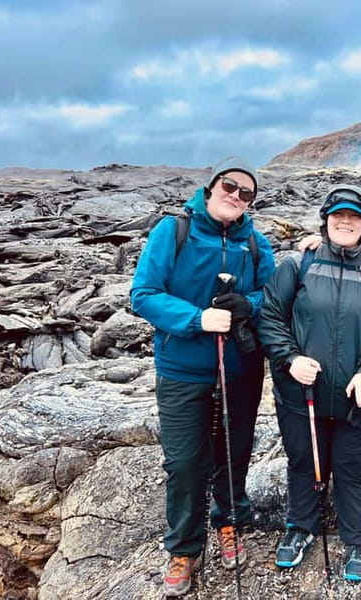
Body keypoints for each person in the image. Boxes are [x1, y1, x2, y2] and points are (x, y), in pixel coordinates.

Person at [130, 157, 275, 597]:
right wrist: (197, 318)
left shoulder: (256, 243)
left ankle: (229, 521)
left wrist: (246, 304)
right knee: (184, 462)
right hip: (182, 369)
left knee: (233, 453)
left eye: (246, 193)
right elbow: (143, 295)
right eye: (229, 186)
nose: (236, 195)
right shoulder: (172, 233)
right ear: (211, 188)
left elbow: (272, 294)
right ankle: (183, 548)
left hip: (240, 369)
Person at [257, 185, 361, 582]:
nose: (344, 222)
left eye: (353, 218)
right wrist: (290, 359)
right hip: (301, 394)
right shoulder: (298, 266)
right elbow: (270, 317)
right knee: (304, 463)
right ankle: (300, 528)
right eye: (337, 216)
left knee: (355, 468)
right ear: (325, 221)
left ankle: (357, 539)